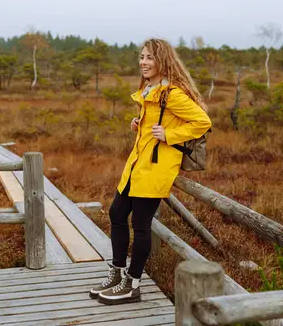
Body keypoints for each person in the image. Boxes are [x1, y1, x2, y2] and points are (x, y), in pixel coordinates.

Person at [90, 38, 212, 305]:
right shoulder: (150, 90)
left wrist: (170, 134)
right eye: (142, 57)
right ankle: (117, 272)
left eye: (149, 58)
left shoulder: (173, 93)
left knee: (141, 225)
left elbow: (203, 121)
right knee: (116, 213)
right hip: (138, 163)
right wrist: (140, 123)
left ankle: (132, 285)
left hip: (157, 167)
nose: (143, 62)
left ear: (163, 61)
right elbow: (155, 122)